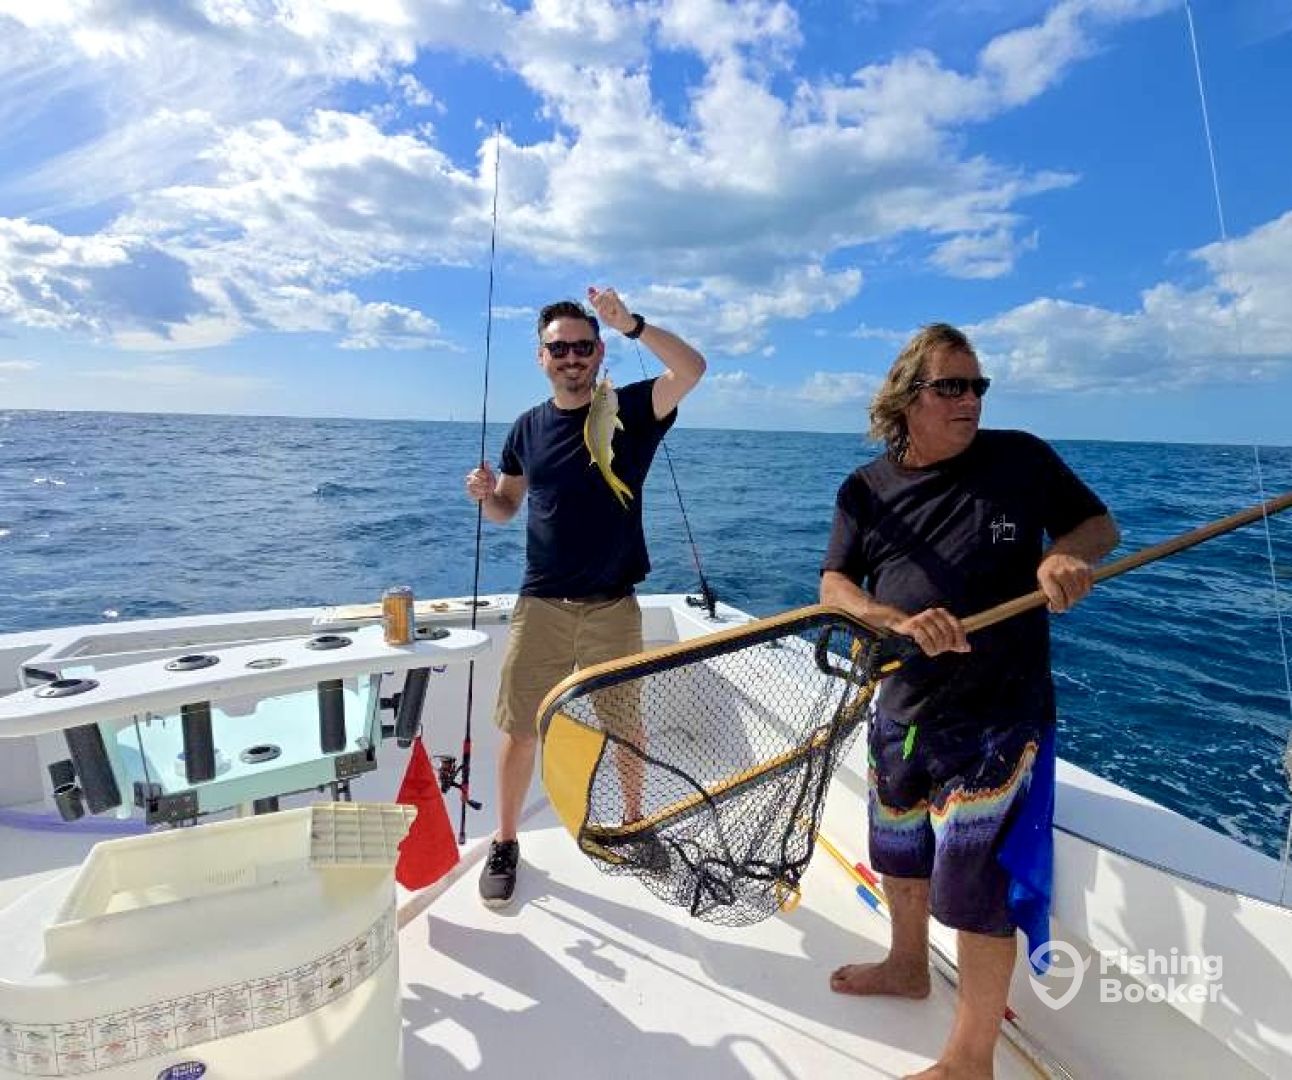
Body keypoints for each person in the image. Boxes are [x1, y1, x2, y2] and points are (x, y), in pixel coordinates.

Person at [820, 323, 1118, 1080]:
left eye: (977, 385)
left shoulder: (1022, 458)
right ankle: (906, 965)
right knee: (899, 849)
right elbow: (835, 585)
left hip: (999, 715)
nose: (971, 399)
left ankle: (969, 1060)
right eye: (951, 386)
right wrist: (893, 620)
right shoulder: (864, 489)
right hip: (903, 704)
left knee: (978, 887)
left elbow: (1099, 526)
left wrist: (1063, 556)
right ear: (906, 399)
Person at [464, 286, 706, 908]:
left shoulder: (631, 408)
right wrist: (486, 496)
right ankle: (505, 841)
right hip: (541, 604)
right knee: (520, 728)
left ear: (599, 353)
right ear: (541, 357)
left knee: (624, 727)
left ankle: (634, 825)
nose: (571, 356)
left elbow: (691, 369)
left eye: (582, 346)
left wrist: (632, 325)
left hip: (612, 605)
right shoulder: (527, 427)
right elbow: (507, 506)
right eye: (559, 348)